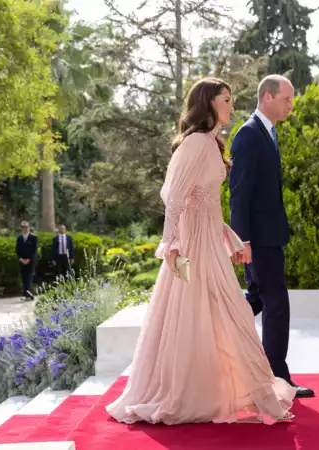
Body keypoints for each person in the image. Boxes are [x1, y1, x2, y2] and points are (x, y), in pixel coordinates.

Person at [105, 77, 296, 426]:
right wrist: (173, 245)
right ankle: (188, 392)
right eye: (225, 99)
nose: (231, 106)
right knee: (196, 314)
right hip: (192, 244)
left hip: (210, 241)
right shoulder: (194, 143)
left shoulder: (212, 142)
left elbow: (207, 201)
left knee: (225, 311)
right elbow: (174, 198)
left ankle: (232, 388)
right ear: (208, 103)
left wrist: (229, 235)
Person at [227, 75, 315, 398]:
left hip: (269, 236)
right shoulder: (249, 136)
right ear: (267, 97)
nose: (291, 106)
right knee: (276, 303)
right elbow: (239, 194)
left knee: (258, 300)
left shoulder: (268, 132)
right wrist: (243, 240)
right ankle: (278, 380)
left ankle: (216, 335)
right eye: (286, 100)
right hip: (258, 240)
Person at [16, 221, 38, 300]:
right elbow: (17, 250)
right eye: (23, 227)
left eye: (26, 227)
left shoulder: (33, 237)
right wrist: (21, 259)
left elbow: (34, 250)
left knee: (29, 277)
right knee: (24, 277)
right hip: (22, 261)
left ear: (29, 228)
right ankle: (26, 294)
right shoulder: (19, 238)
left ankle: (29, 293)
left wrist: (28, 259)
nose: (25, 229)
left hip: (30, 261)